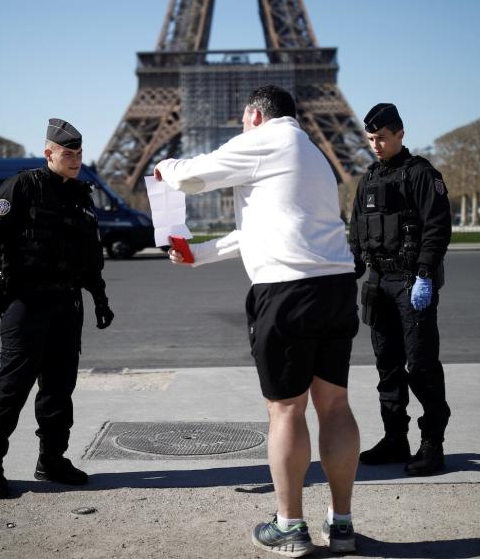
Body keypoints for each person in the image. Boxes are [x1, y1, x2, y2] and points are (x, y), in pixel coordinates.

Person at [154, 86, 360, 557]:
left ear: (253, 114)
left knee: (286, 410)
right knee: (334, 405)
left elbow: (191, 177)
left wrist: (165, 169)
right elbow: (261, 230)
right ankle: (342, 524)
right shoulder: (310, 153)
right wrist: (200, 255)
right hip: (335, 285)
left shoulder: (264, 139)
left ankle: (289, 527)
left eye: (243, 121)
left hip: (288, 292)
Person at [0, 118, 115, 499]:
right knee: (13, 385)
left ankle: (51, 459)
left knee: (58, 388)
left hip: (67, 304)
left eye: (80, 154)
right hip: (27, 301)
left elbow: (89, 254)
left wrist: (98, 297)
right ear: (48, 153)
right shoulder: (22, 187)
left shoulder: (80, 194)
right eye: (68, 154)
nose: (75, 160)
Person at [349, 102, 452, 476]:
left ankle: (432, 443)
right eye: (371, 139)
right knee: (387, 367)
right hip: (378, 283)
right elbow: (357, 231)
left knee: (421, 366)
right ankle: (396, 438)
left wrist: (425, 273)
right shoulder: (369, 180)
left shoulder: (422, 175)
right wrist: (351, 273)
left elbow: (437, 226)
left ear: (401, 135)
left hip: (411, 281)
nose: (376, 145)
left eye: (383, 138)